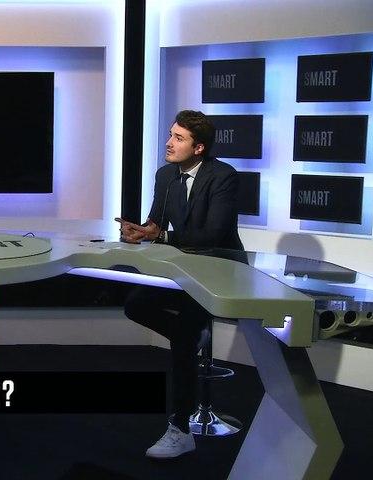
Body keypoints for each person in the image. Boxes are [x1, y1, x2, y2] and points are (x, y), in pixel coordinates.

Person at [115, 110, 243, 459]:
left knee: (183, 337)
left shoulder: (223, 176)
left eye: (179, 138)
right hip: (183, 265)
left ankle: (180, 429)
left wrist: (161, 236)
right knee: (135, 304)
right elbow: (156, 222)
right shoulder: (165, 175)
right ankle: (192, 334)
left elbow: (213, 234)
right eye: (171, 135)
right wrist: (139, 232)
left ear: (199, 147)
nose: (169, 143)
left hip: (218, 268)